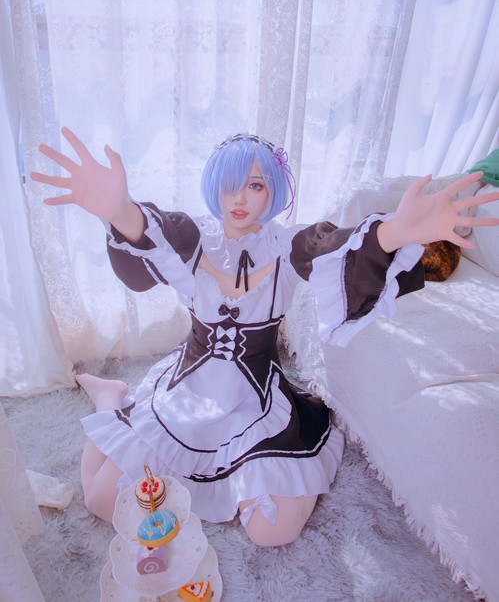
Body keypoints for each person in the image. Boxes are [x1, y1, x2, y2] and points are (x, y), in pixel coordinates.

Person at [31, 127, 499, 546]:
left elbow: (340, 249)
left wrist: (394, 232)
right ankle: (110, 399)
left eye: (255, 185)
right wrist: (118, 210)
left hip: (254, 398)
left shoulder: (289, 245)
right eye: (230, 184)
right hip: (187, 391)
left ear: (273, 191)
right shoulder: (193, 237)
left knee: (272, 532)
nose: (240, 198)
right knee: (102, 500)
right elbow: (153, 235)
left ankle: (226, 465)